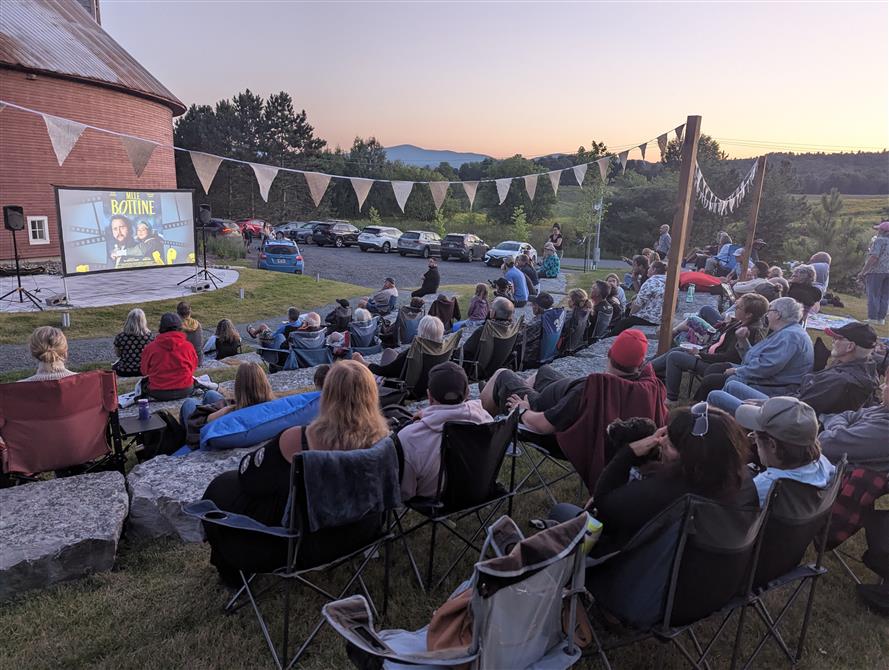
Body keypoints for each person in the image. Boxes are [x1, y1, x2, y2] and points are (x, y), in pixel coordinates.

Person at [200, 360, 390, 586]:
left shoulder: (297, 439)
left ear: (326, 396)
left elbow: (249, 479)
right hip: (362, 532)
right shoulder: (384, 441)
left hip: (306, 546)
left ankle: (230, 573)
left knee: (221, 487)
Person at [550, 404, 756, 550]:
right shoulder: (742, 484)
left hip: (635, 580)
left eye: (671, 442)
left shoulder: (661, 492)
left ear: (690, 457)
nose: (662, 442)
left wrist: (627, 453)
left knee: (561, 512)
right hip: (702, 582)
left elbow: (602, 506)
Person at [482, 329, 654, 434]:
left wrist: (523, 411)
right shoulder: (641, 387)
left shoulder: (590, 390)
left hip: (540, 409)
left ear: (609, 353)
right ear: (639, 365)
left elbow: (545, 425)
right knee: (544, 371)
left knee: (502, 374)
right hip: (559, 395)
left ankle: (481, 429)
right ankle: (504, 402)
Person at [708, 321, 879, 416]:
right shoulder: (864, 368)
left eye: (837, 338)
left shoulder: (840, 380)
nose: (833, 341)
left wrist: (767, 404)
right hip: (790, 404)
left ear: (850, 347)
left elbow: (801, 408)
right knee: (732, 385)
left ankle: (713, 435)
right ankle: (732, 430)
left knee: (716, 395)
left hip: (787, 422)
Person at [397, 362, 493, 500]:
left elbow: (405, 493)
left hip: (435, 501)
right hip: (479, 489)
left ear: (429, 397)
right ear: (467, 393)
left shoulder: (409, 437)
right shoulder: (485, 419)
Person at [650, 293, 769, 401]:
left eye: (738, 307)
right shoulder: (740, 322)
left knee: (675, 357)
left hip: (715, 365)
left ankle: (670, 397)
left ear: (748, 315)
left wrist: (700, 354)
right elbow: (721, 339)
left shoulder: (747, 332)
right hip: (710, 354)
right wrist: (726, 325)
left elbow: (730, 357)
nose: (735, 308)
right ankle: (648, 371)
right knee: (677, 350)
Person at [735, 396, 836, 506]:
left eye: (754, 437)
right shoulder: (824, 464)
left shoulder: (763, 487)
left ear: (773, 445)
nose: (754, 443)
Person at [180, 361, 275, 445]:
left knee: (189, 403)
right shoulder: (275, 409)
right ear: (265, 384)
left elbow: (198, 422)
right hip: (248, 419)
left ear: (239, 388)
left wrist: (224, 411)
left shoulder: (229, 413)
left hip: (208, 438)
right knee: (211, 394)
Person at [819, 368, 889, 473]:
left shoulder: (885, 431)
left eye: (887, 384)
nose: (881, 386)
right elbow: (845, 415)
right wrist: (840, 431)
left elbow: (826, 444)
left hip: (833, 480)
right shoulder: (883, 408)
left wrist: (838, 433)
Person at [353, 314, 444, 378]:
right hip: (423, 378)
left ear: (420, 331)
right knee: (389, 351)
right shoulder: (442, 351)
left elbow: (384, 371)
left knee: (387, 353)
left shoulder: (413, 353)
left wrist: (362, 362)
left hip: (403, 384)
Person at [140, 312, 198, 400]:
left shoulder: (150, 348)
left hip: (158, 392)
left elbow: (144, 371)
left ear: (161, 328)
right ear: (180, 327)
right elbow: (193, 367)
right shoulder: (188, 346)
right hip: (185, 389)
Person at [609, 261, 667, 335]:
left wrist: (631, 314)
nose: (648, 270)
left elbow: (638, 303)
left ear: (654, 270)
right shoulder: (668, 281)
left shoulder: (651, 282)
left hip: (650, 319)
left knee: (623, 323)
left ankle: (607, 338)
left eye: (649, 268)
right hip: (662, 318)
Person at [461, 296, 515, 361]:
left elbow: (465, 350)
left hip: (478, 368)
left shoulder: (484, 331)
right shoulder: (512, 329)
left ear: (493, 313)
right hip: (498, 365)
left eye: (491, 309)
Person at [859, 221, 889, 325]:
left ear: (883, 231)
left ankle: (872, 318)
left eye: (879, 230)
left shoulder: (879, 241)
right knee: (885, 296)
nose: (877, 232)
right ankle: (881, 319)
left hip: (876, 271)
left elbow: (874, 257)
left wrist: (864, 271)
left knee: (873, 294)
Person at [517, 292, 556, 368]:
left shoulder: (537, 323)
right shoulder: (552, 317)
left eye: (533, 304)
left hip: (529, 358)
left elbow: (517, 340)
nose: (532, 306)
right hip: (547, 354)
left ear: (537, 307)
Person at [112, 308, 154, 377]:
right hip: (143, 370)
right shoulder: (150, 337)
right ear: (143, 321)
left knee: (114, 366)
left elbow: (118, 354)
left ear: (128, 321)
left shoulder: (120, 336)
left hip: (125, 371)